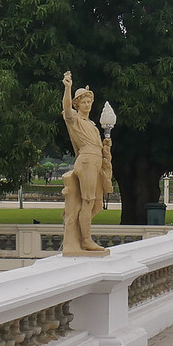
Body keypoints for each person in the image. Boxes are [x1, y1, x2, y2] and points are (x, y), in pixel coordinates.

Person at [60, 72, 108, 255]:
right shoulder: (75, 120)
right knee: (88, 202)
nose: (87, 105)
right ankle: (85, 240)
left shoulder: (92, 125)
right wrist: (68, 88)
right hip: (86, 161)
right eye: (84, 102)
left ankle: (78, 228)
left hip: (96, 161)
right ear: (77, 104)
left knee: (96, 204)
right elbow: (66, 107)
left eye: (89, 102)